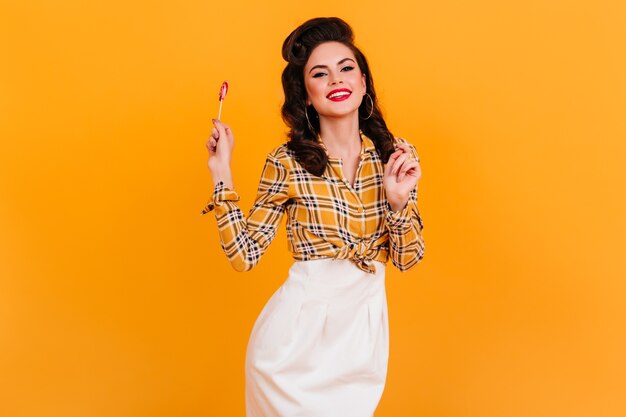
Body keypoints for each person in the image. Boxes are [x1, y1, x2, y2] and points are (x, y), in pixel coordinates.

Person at [202, 16, 425, 417]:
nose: (336, 80)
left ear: (363, 83)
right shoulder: (287, 163)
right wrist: (222, 173)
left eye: (346, 68)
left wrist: (396, 202)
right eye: (320, 74)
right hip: (291, 349)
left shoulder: (396, 157)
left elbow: (408, 258)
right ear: (305, 95)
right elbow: (244, 255)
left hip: (361, 343)